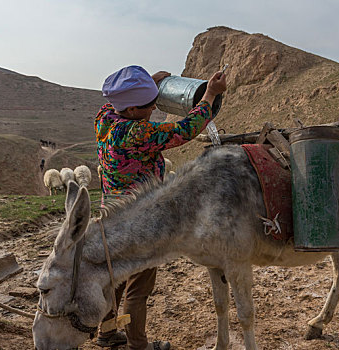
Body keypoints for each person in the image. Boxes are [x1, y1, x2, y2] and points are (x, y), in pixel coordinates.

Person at [95, 65, 226, 350]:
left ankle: (106, 333)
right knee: (138, 290)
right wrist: (210, 96)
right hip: (141, 223)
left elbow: (113, 101)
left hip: (111, 218)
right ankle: (138, 345)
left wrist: (149, 83)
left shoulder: (104, 119)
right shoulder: (138, 133)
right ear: (130, 110)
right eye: (148, 104)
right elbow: (184, 130)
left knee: (113, 280)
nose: (154, 106)